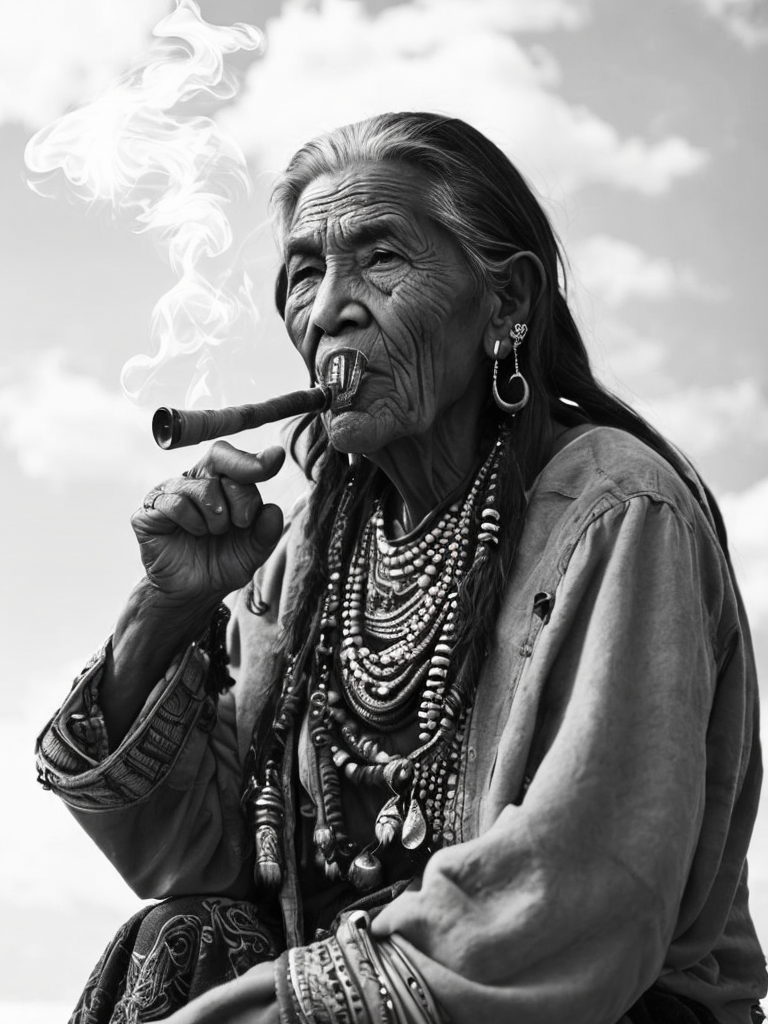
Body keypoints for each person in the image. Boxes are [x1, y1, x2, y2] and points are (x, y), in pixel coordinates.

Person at [36, 112, 766, 1024]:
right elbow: (214, 864)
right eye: (305, 272)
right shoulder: (306, 555)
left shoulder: (615, 511)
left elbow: (587, 893)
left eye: (380, 259)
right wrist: (163, 613)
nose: (331, 306)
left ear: (505, 305)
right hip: (351, 996)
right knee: (177, 942)